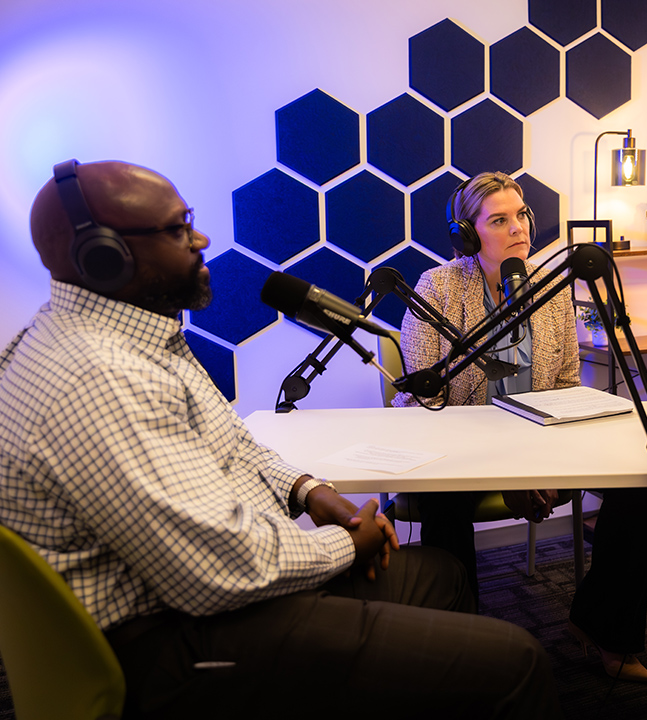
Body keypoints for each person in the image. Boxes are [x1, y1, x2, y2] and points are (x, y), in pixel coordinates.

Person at [0, 159, 562, 720]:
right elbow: (218, 570)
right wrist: (347, 544)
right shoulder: (98, 377)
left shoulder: (132, 336)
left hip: (205, 593)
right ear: (104, 256)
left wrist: (310, 491)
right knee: (519, 662)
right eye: (176, 229)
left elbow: (234, 445)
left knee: (444, 574)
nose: (201, 238)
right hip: (174, 639)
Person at [393, 172, 647, 682]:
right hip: (462, 452)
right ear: (467, 235)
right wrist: (503, 472)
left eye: (521, 215)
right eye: (499, 220)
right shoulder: (438, 288)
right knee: (443, 502)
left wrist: (542, 465)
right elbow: (422, 402)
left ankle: (605, 629)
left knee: (637, 477)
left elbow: (564, 383)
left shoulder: (550, 287)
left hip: (540, 446)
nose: (518, 229)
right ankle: (460, 650)